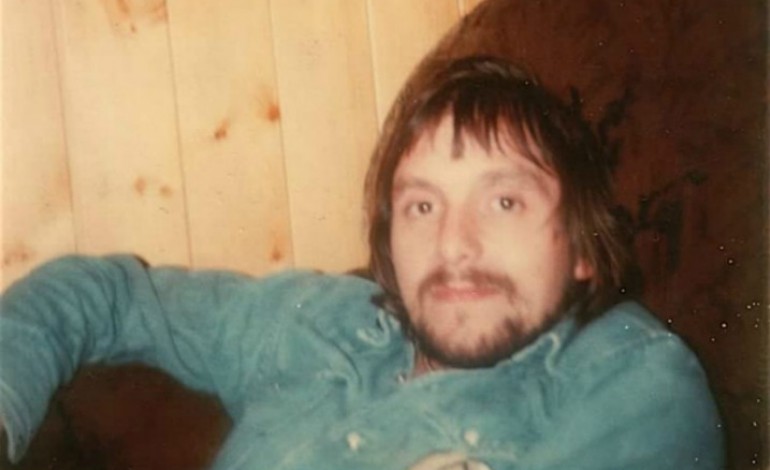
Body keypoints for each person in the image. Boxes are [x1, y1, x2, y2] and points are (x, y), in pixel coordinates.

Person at [0, 56, 723, 469]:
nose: (454, 245)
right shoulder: (311, 322)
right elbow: (109, 295)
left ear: (583, 248)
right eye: (421, 206)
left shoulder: (631, 376)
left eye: (504, 202)